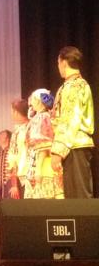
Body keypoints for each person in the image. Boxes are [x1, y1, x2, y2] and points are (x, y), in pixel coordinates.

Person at [51, 46, 95, 198]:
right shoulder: (73, 85)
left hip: (74, 145)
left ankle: (87, 223)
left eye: (58, 63)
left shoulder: (74, 86)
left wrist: (58, 150)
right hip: (72, 146)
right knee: (72, 198)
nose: (58, 67)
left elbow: (70, 119)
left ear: (63, 62)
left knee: (79, 198)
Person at [25, 89, 64, 199]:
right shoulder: (40, 117)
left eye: (32, 100)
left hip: (43, 166)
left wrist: (38, 170)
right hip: (36, 164)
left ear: (38, 101)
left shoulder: (43, 118)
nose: (30, 103)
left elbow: (43, 145)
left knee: (42, 205)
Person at [7, 98, 30, 199]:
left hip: (32, 174)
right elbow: (13, 159)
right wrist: (14, 184)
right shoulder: (17, 131)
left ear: (16, 112)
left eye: (12, 111)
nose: (11, 114)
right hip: (22, 176)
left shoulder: (32, 126)